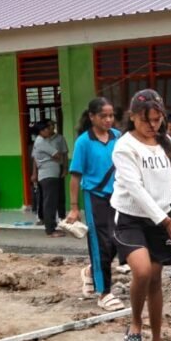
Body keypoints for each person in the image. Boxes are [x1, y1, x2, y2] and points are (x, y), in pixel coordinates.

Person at [111, 90, 171, 341]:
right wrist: (167, 222)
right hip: (131, 219)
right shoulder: (124, 147)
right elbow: (136, 190)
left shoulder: (167, 143)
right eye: (146, 120)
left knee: (156, 279)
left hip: (161, 218)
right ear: (133, 117)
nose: (153, 125)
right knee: (142, 270)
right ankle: (135, 324)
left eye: (157, 119)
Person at [67, 98, 123, 310]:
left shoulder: (118, 137)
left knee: (120, 239)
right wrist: (74, 207)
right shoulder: (84, 142)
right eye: (103, 116)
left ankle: (91, 271)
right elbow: (75, 176)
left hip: (118, 197)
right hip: (95, 196)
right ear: (92, 117)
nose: (108, 120)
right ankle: (104, 292)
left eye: (111, 116)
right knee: (101, 244)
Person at [31, 119, 65, 237]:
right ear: (41, 131)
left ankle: (51, 227)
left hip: (50, 174)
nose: (49, 130)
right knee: (50, 203)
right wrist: (54, 158)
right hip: (48, 175)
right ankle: (50, 229)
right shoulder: (41, 142)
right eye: (46, 129)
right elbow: (57, 154)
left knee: (51, 201)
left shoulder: (42, 141)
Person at [49, 119, 69, 221]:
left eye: (53, 125)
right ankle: (48, 216)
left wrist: (65, 168)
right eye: (49, 125)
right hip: (47, 169)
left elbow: (65, 154)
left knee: (60, 192)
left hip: (59, 167)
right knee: (48, 194)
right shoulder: (42, 139)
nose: (51, 127)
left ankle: (61, 215)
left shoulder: (60, 138)